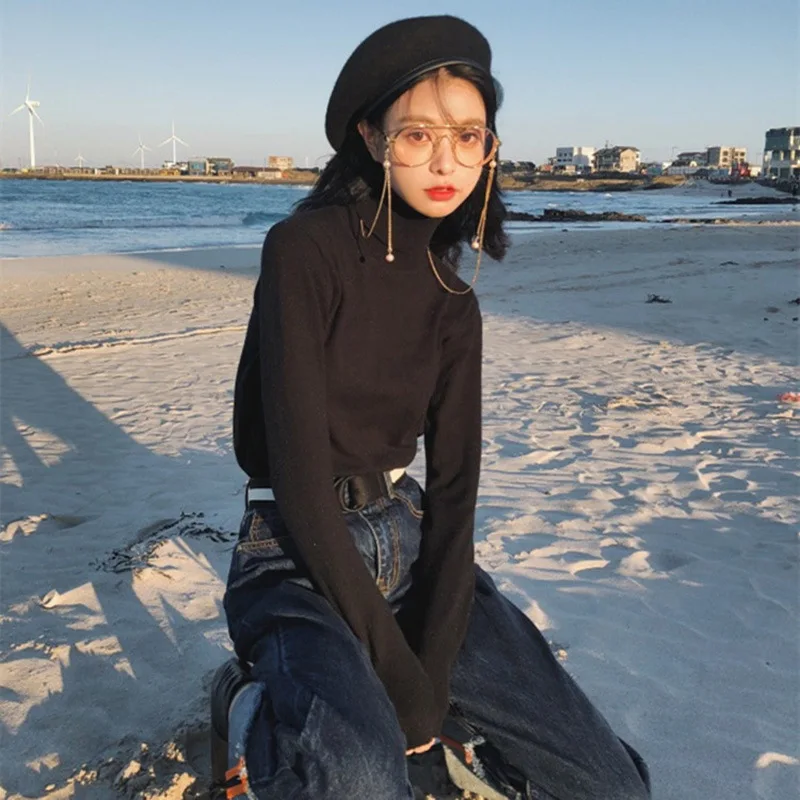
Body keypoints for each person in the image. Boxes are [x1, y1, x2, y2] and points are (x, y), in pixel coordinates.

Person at [212, 15, 651, 800]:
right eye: (418, 134)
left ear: (489, 149)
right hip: (293, 551)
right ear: (373, 137)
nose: (446, 160)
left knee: (611, 783)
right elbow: (303, 483)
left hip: (411, 540)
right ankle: (245, 707)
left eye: (468, 137)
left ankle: (458, 736)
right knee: (360, 776)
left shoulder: (454, 299)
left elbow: (454, 492)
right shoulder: (303, 251)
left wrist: (434, 674)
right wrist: (399, 677)